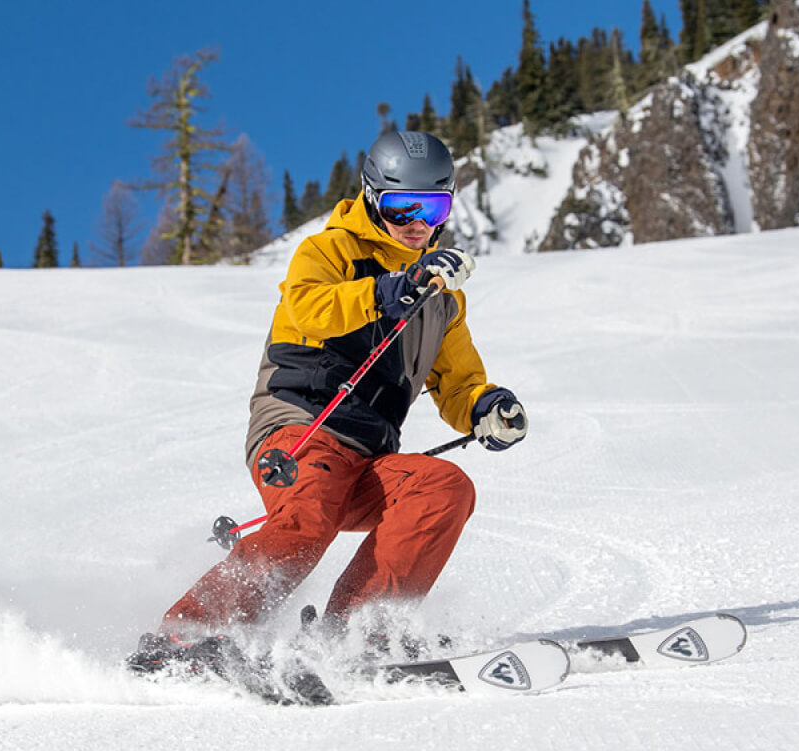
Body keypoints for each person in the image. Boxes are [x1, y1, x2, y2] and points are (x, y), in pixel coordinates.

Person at [135, 131, 528, 673]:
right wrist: (391, 290)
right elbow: (308, 308)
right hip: (300, 429)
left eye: (433, 206)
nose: (418, 222)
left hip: (368, 456)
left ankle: (356, 634)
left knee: (443, 487)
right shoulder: (329, 251)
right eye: (401, 206)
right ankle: (186, 637)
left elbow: (459, 382)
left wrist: (486, 407)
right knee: (305, 522)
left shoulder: (443, 299)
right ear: (372, 198)